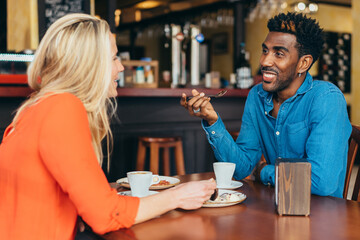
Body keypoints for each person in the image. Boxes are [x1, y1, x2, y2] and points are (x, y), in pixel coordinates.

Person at [0, 14, 216, 240]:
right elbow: (104, 214)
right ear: (90, 64)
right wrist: (177, 196)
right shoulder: (62, 108)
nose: (121, 67)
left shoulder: (37, 106)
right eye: (114, 58)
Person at [181, 12, 352, 198]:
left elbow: (321, 182)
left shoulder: (326, 98)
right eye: (265, 50)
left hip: (323, 217)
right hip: (276, 207)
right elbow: (242, 168)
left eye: (279, 53)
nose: (264, 61)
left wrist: (263, 172)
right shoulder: (257, 96)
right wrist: (213, 121)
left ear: (304, 63)